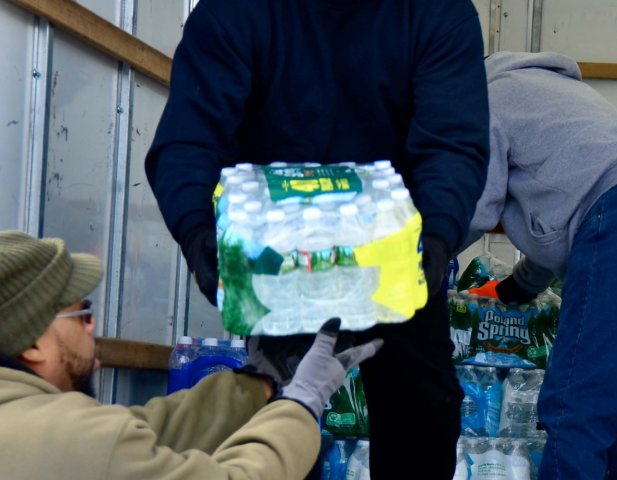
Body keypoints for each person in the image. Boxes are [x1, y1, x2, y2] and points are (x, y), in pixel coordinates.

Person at [144, 0, 490, 475]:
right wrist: (196, 229)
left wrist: (438, 235)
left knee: (424, 413)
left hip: (394, 258)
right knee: (274, 415)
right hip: (281, 262)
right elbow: (190, 136)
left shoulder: (436, 12)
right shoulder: (233, 12)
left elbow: (451, 142)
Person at [468, 51, 617, 479]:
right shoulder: (558, 91)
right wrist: (517, 288)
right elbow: (566, 210)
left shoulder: (487, 99)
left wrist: (416, 259)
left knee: (576, 405)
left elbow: (475, 207)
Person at [0, 230, 380, 479]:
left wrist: (261, 381)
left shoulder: (25, 422)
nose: (92, 325)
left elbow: (145, 429)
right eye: (81, 311)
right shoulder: (71, 440)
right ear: (31, 343)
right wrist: (302, 403)